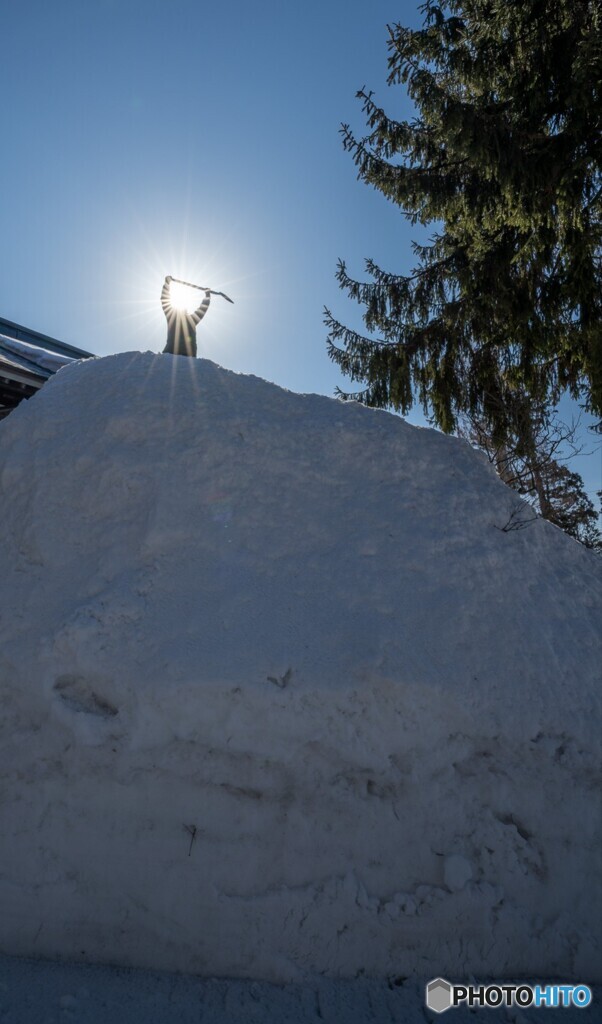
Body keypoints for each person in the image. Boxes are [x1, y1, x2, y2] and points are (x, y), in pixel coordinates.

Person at [161, 275, 211, 357]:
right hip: (174, 353)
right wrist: (166, 284)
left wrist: (207, 296)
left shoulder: (188, 319)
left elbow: (202, 309)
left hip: (185, 355)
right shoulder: (174, 317)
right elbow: (164, 299)